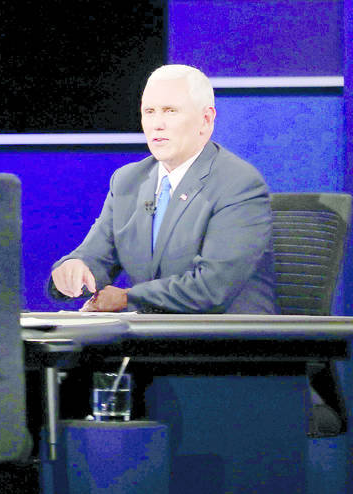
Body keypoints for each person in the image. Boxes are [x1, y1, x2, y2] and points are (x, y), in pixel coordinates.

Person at [48, 64, 278, 315]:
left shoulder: (238, 183)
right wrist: (75, 267)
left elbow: (212, 288)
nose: (157, 124)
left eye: (170, 111)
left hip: (228, 334)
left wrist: (127, 298)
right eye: (149, 112)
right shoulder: (128, 181)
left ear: (206, 120)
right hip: (155, 333)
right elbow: (97, 255)